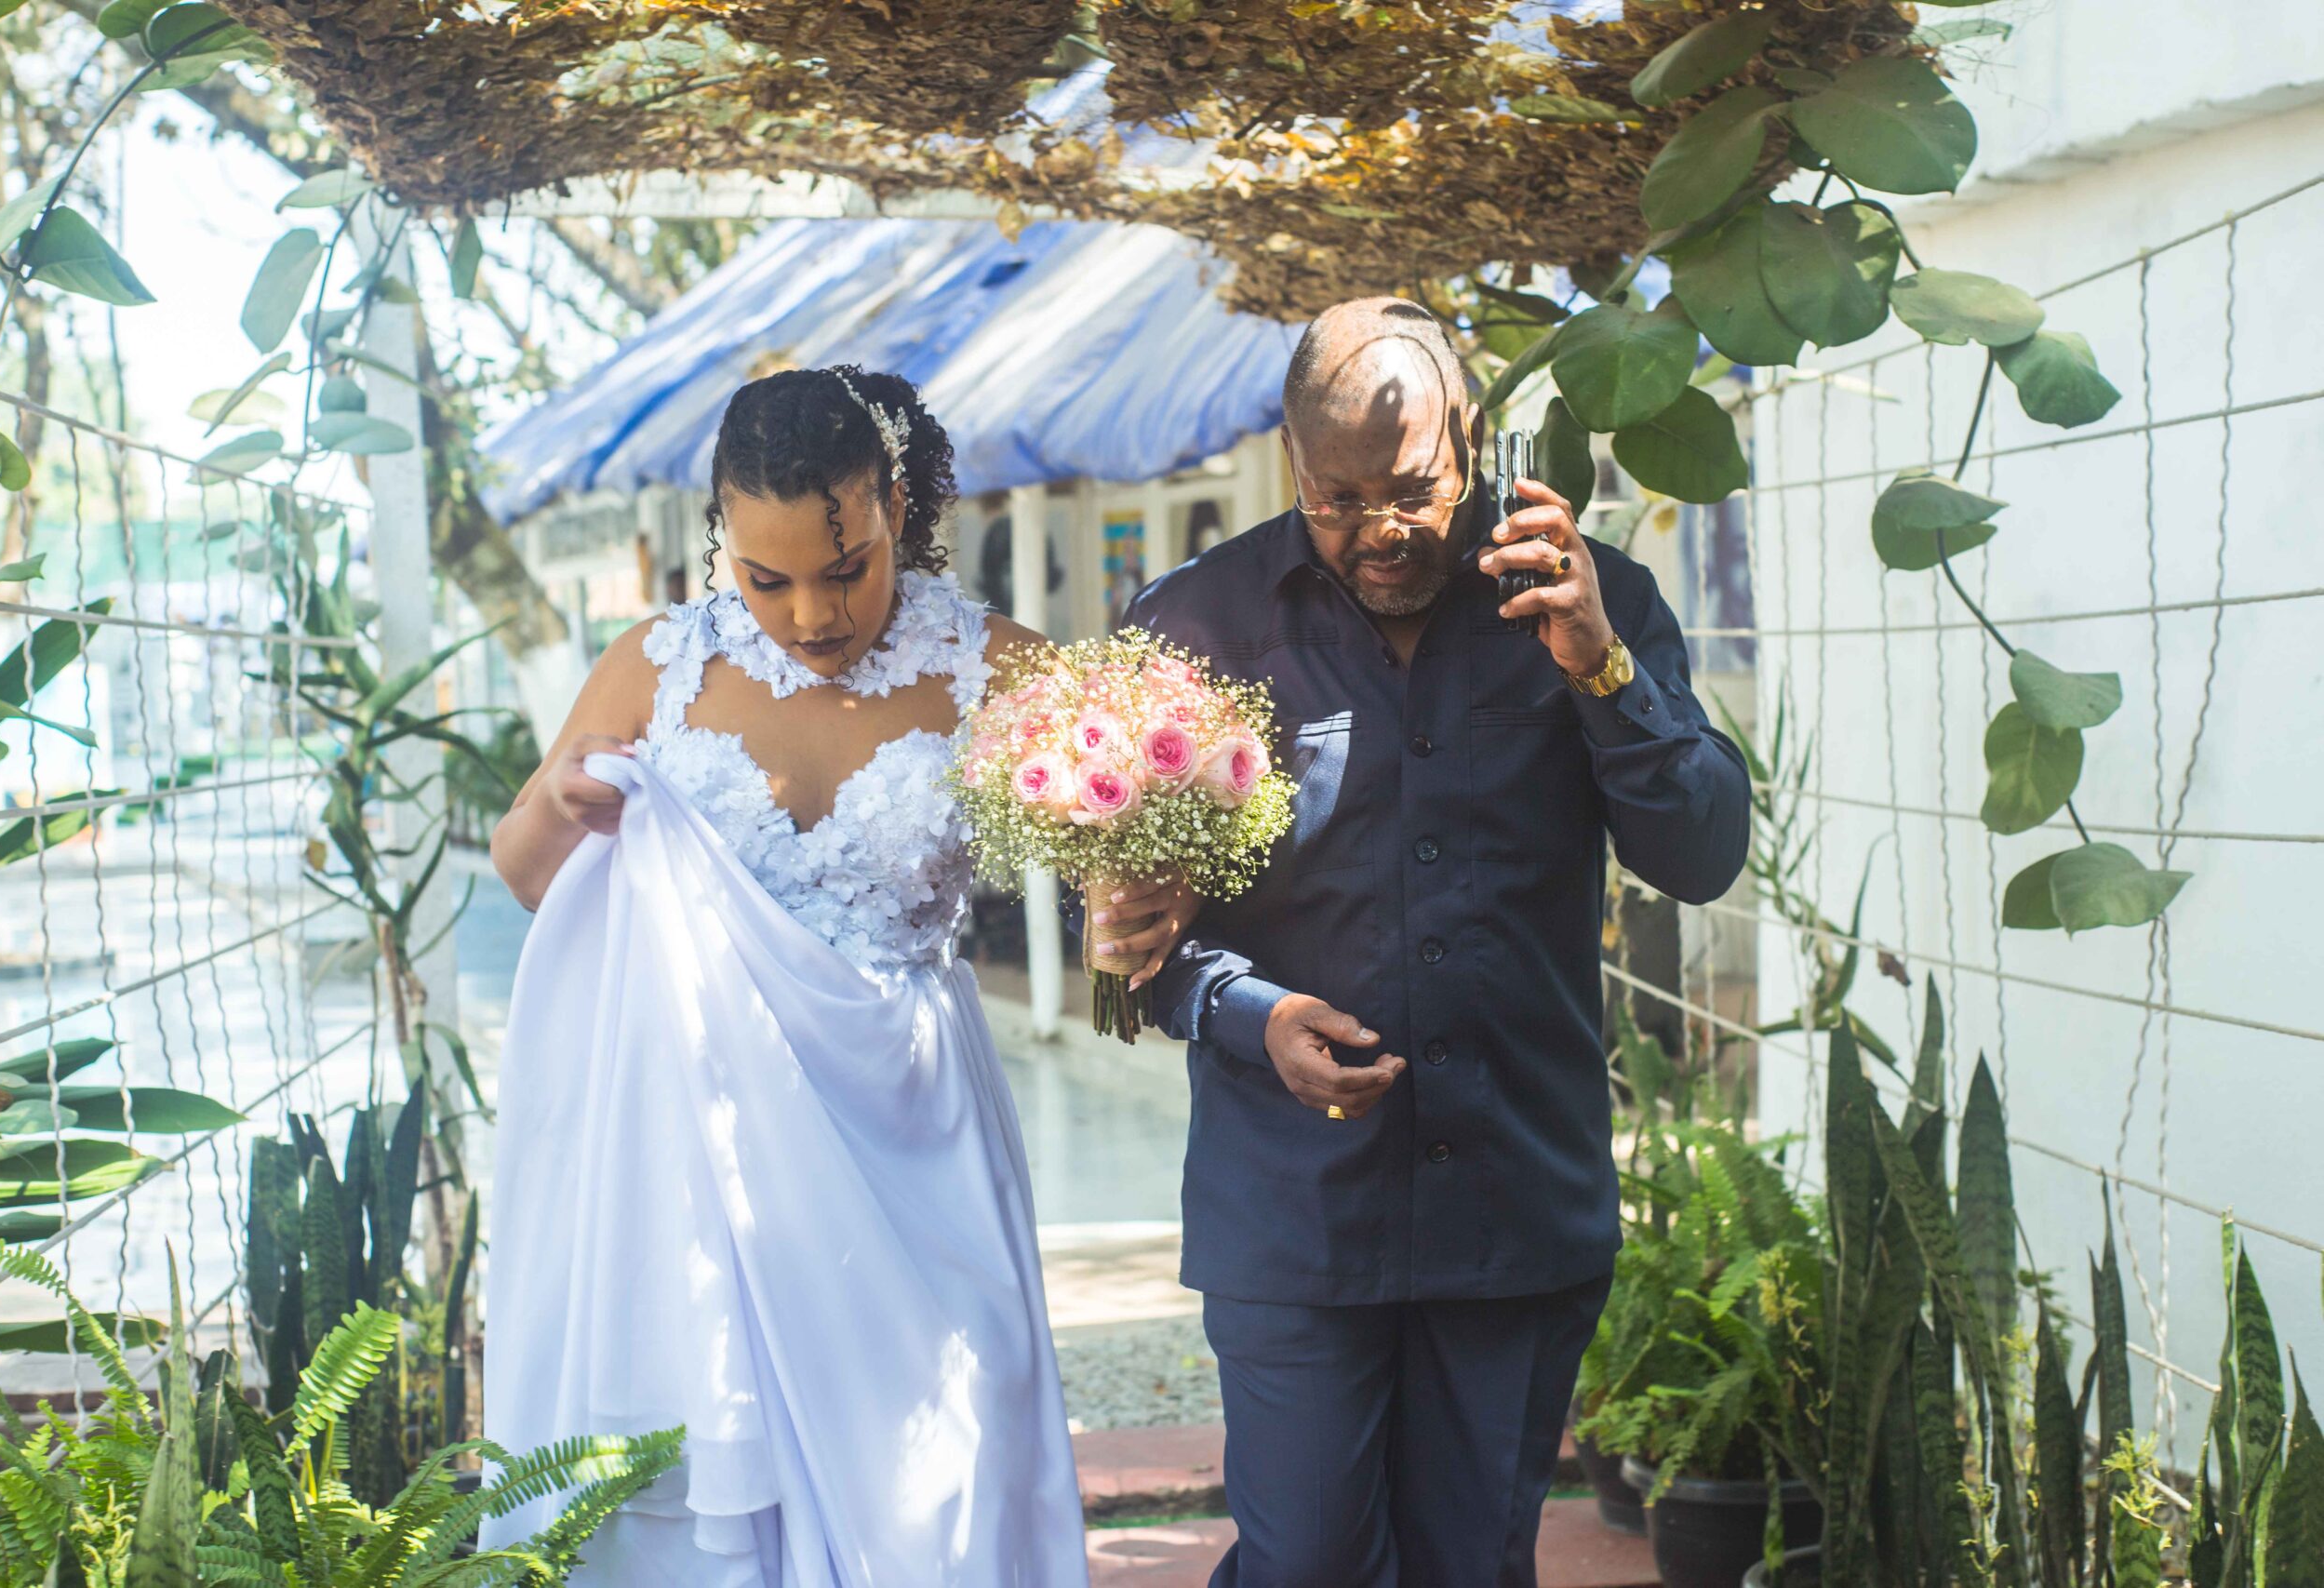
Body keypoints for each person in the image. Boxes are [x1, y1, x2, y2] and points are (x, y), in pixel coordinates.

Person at [1094, 299, 1752, 1586]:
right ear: (1291, 459)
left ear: (1475, 444)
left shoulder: (1593, 599)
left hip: (1511, 1203)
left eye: (1412, 492)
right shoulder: (1196, 629)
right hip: (1294, 1211)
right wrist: (1252, 1015)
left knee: (1470, 1568)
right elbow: (1138, 949)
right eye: (1336, 499)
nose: (1378, 531)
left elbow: (1701, 853)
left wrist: (1600, 668)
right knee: (1305, 1566)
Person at [483, 366, 1089, 1585]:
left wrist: (1138, 874)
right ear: (722, 538)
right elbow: (526, 872)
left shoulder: (998, 667)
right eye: (767, 580)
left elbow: (1127, 847)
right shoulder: (655, 665)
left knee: (952, 1455)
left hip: (914, 1127)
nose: (812, 615)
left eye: (846, 568)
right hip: (707, 1143)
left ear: (895, 511)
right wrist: (558, 803)